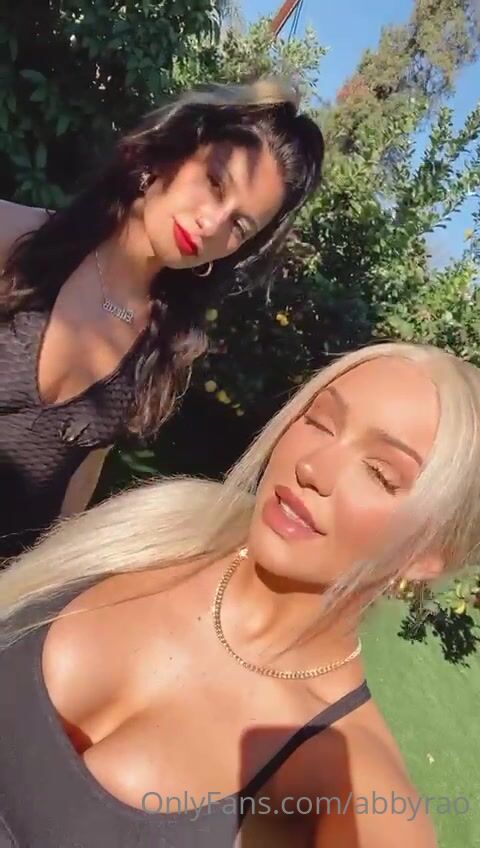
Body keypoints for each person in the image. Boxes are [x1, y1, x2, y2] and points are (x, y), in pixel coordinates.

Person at [1, 340, 478, 847]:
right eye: (320, 422)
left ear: (427, 555)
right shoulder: (159, 528)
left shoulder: (354, 796)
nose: (312, 468)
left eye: (380, 473)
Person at [0, 77, 324, 559]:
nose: (211, 223)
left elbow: (77, 481)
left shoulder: (164, 347)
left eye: (239, 225)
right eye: (215, 182)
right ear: (173, 151)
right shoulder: (15, 242)